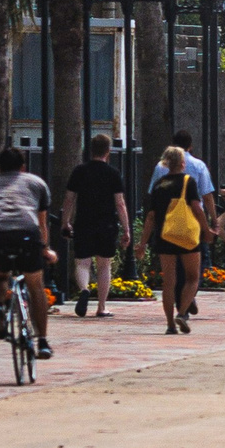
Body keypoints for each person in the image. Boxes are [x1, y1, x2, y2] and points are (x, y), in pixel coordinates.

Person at [0, 147, 58, 360]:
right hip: (26, 233)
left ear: (0, 167)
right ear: (23, 167)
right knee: (35, 286)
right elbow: (41, 223)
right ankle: (42, 341)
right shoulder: (36, 183)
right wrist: (45, 249)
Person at [61, 133, 130, 318]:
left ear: (90, 150)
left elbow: (69, 199)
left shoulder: (79, 171)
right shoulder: (113, 173)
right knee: (104, 265)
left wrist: (65, 221)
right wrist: (126, 228)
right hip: (106, 224)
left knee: (82, 262)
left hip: (84, 222)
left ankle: (84, 289)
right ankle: (101, 306)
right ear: (108, 151)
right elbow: (120, 203)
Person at [141, 147, 204, 331]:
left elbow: (151, 216)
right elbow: (197, 208)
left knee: (169, 282)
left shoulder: (159, 184)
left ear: (166, 162)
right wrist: (206, 229)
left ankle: (169, 324)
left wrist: (143, 243)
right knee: (193, 277)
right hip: (186, 236)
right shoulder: (188, 181)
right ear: (182, 163)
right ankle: (182, 312)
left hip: (164, 236)